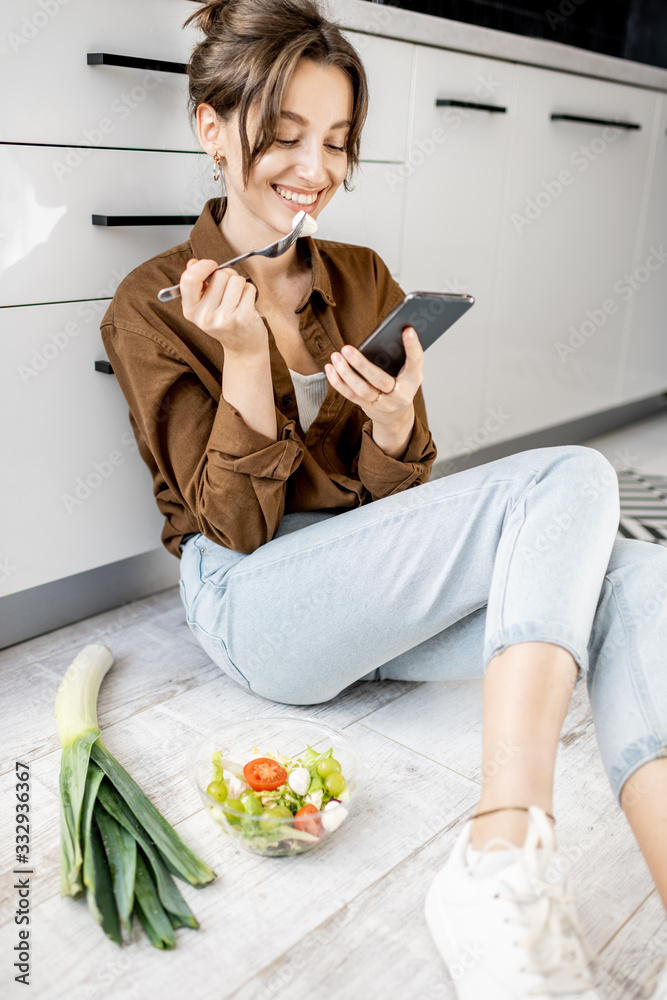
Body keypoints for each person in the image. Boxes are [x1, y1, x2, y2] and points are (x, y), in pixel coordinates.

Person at [99, 0, 667, 996]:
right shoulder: (151, 304)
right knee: (571, 475)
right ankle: (501, 849)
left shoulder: (359, 277)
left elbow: (405, 502)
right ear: (211, 128)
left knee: (636, 573)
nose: (313, 168)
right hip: (250, 602)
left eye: (336, 141)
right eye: (283, 137)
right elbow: (230, 527)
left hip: (362, 590)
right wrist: (240, 363)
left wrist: (398, 422)